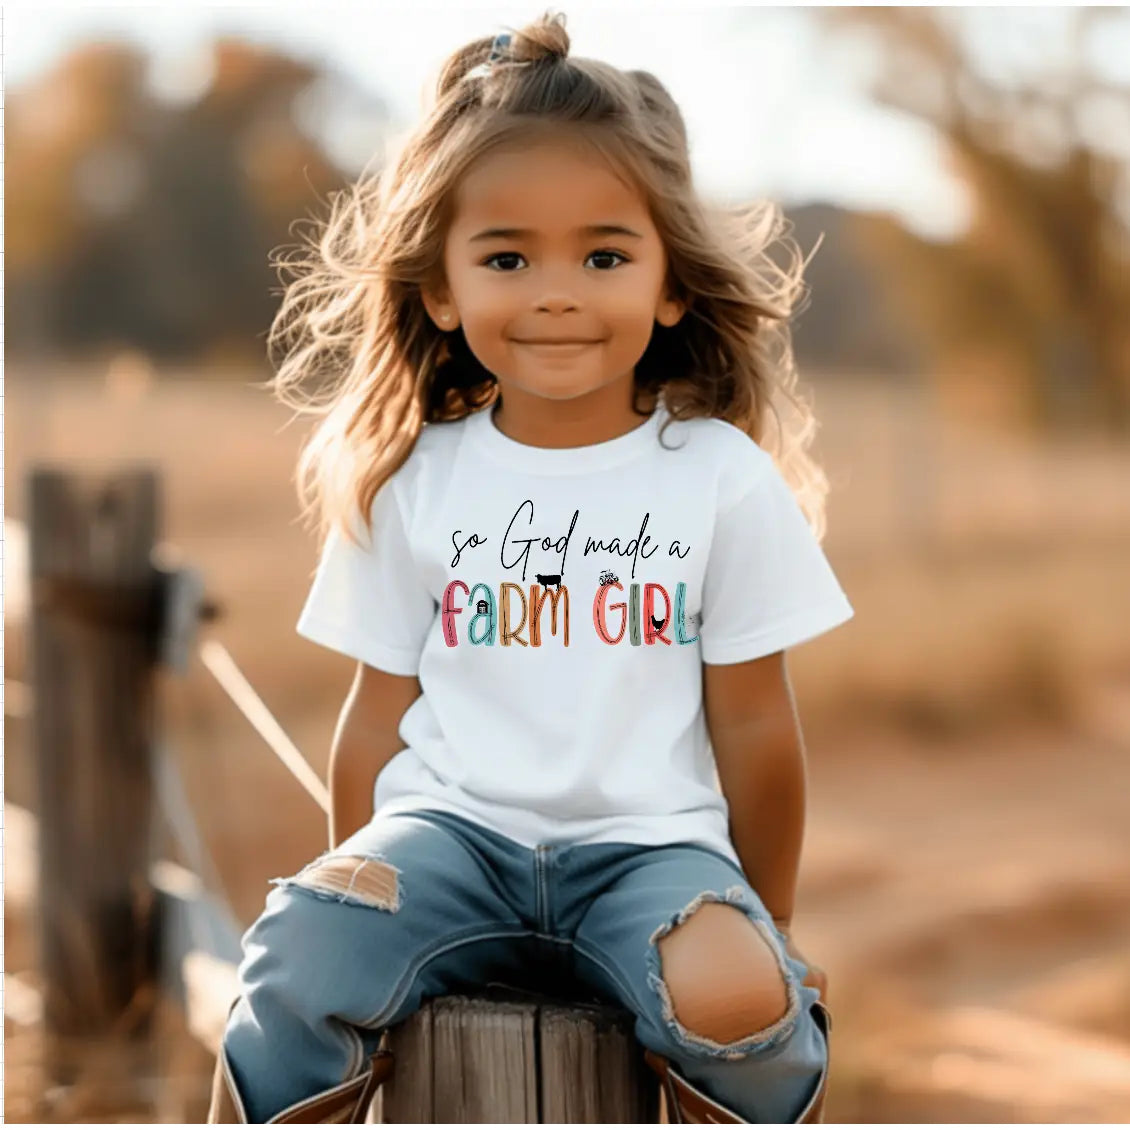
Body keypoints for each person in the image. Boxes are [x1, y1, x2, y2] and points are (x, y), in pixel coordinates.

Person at [208, 10, 855, 1124]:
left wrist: (772, 918)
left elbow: (754, 727)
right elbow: (374, 718)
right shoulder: (413, 480)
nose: (556, 290)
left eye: (603, 254)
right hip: (449, 840)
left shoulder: (719, 479)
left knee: (737, 1000)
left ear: (667, 285)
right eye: (507, 256)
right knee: (299, 953)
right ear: (442, 289)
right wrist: (355, 888)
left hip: (648, 854)